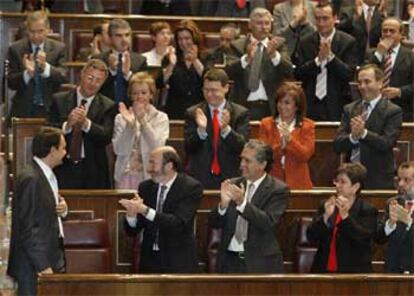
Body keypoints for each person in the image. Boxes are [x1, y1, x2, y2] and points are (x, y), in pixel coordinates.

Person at [209, 139, 289, 273]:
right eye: (241, 160)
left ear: (262, 164)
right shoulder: (233, 184)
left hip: (259, 262)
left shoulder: (278, 189)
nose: (241, 165)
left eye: (247, 161)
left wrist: (242, 203)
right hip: (228, 260)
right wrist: (223, 205)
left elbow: (268, 222)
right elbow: (213, 223)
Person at [119, 146, 203, 273]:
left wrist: (145, 210)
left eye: (153, 163)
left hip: (179, 261)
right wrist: (131, 216)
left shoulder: (191, 187)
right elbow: (133, 231)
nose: (148, 168)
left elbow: (178, 223)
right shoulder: (145, 187)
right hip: (150, 261)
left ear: (169, 166)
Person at [7, 127, 68, 295]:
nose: (65, 153)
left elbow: (47, 212)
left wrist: (63, 209)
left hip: (47, 258)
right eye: (63, 148)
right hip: (32, 266)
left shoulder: (44, 175)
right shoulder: (31, 178)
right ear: (52, 151)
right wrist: (42, 265)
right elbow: (28, 228)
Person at [48, 59, 117, 189]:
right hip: (62, 165)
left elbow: (106, 136)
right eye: (90, 78)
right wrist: (67, 126)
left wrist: (86, 124)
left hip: (93, 169)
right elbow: (47, 130)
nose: (93, 84)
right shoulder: (59, 100)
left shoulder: (108, 106)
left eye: (98, 81)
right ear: (82, 74)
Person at [334, 64, 403, 189]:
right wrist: (353, 137)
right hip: (350, 180)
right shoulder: (349, 109)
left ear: (380, 83)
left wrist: (363, 133)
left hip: (378, 178)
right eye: (359, 82)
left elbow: (386, 143)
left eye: (367, 82)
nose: (362, 86)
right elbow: (338, 145)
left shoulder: (393, 111)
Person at [184, 68, 250, 190]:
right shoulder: (193, 112)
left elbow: (243, 147)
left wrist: (226, 130)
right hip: (200, 176)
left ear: (226, 88)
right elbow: (188, 147)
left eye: (214, 90)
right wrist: (201, 131)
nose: (209, 94)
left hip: (230, 176)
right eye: (206, 90)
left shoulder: (240, 113)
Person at [307, 162, 378, 273]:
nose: (337, 185)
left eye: (343, 182)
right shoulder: (326, 205)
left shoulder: (367, 210)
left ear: (355, 187)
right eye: (336, 181)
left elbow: (363, 240)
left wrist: (345, 217)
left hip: (354, 272)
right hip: (323, 269)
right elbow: (311, 237)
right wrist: (325, 217)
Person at [226, 7, 293, 120]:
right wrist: (246, 59)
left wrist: (274, 56)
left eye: (267, 23)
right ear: (250, 25)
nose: (264, 27)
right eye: (259, 23)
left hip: (271, 106)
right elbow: (228, 72)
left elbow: (289, 71)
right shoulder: (237, 45)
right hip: (243, 106)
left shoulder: (279, 45)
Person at [293, 2, 357, 121]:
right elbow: (298, 73)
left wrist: (331, 57)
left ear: (335, 18)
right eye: (318, 19)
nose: (321, 23)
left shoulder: (348, 42)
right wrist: (318, 60)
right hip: (310, 102)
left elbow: (349, 74)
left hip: (337, 102)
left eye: (325, 18)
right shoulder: (305, 42)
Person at [112, 72, 169, 189]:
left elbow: (158, 147)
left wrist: (143, 122)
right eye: (135, 93)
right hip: (124, 174)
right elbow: (118, 149)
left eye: (144, 93)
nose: (139, 97)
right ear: (130, 95)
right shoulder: (120, 118)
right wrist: (130, 125)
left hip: (150, 175)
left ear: (151, 95)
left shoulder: (161, 118)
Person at [7, 10, 68, 117]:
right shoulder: (16, 49)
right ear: (27, 31)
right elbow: (10, 82)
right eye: (32, 31)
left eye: (40, 31)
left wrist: (45, 68)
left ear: (48, 30)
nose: (36, 36)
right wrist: (27, 74)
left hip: (51, 108)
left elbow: (63, 76)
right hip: (23, 109)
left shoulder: (59, 48)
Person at [259, 81, 315, 189]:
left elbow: (306, 155)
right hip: (272, 183)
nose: (282, 106)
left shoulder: (307, 126)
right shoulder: (266, 124)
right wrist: (280, 147)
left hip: (299, 183)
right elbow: (263, 155)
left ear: (297, 106)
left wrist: (290, 140)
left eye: (287, 103)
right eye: (279, 102)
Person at [366, 17, 414, 122]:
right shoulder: (372, 54)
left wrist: (400, 91)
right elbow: (364, 76)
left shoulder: (410, 56)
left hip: (402, 110)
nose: (387, 34)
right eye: (384, 31)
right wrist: (379, 54)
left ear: (401, 34)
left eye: (392, 31)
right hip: (374, 110)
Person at [93, 18, 147, 103]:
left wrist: (127, 75)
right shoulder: (98, 59)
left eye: (127, 35)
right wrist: (111, 71)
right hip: (104, 109)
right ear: (110, 38)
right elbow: (94, 88)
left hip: (132, 109)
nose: (124, 40)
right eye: (119, 36)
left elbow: (144, 91)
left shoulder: (140, 61)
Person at [375, 161, 414, 273]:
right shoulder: (392, 203)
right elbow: (378, 238)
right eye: (399, 179)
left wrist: (409, 222)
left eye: (406, 180)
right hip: (393, 270)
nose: (401, 184)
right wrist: (390, 224)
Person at [163, 20, 205, 119]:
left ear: (195, 39)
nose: (183, 42)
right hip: (175, 109)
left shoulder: (206, 56)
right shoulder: (170, 57)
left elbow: (209, 78)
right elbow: (160, 82)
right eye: (180, 39)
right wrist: (171, 65)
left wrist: (195, 61)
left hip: (200, 110)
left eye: (187, 38)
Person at [337, 0, 385, 64]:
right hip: (352, 57)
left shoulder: (382, 14)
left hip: (374, 58)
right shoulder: (348, 12)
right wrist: (356, 17)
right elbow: (340, 31)